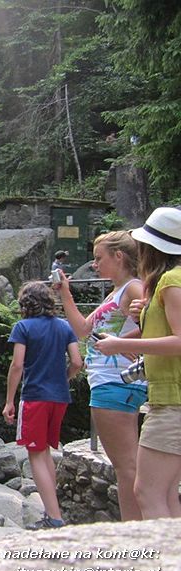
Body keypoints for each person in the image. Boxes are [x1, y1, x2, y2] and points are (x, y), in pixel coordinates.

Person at [96, 207, 181, 519]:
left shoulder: (172, 281)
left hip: (173, 403)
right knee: (167, 493)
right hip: (168, 399)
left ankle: (162, 565)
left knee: (147, 491)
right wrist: (141, 315)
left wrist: (122, 343)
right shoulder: (168, 282)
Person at [55, 231, 146, 520]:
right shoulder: (115, 292)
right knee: (129, 466)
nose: (95, 265)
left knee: (126, 467)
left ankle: (137, 536)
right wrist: (65, 294)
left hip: (114, 382)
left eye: (98, 258)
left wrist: (126, 342)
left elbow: (163, 322)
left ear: (118, 256)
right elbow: (83, 330)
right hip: (114, 382)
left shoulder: (133, 288)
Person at [3, 282, 83, 529]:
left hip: (35, 396)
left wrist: (9, 401)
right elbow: (78, 362)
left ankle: (54, 517)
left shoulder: (23, 327)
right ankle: (54, 510)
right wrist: (63, 379)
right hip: (59, 398)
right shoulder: (64, 326)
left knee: (35, 455)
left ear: (25, 303)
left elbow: (17, 365)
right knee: (46, 451)